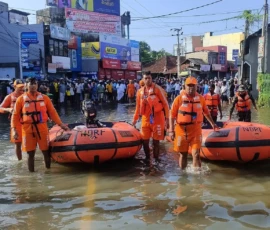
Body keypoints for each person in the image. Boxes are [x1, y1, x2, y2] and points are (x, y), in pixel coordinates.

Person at [11, 77, 69, 172]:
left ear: (37, 85)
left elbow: (52, 112)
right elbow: (15, 115)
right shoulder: (20, 100)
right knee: (30, 154)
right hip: (27, 129)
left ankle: (48, 172)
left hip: (42, 128)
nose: (33, 86)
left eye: (35, 84)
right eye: (31, 84)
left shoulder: (45, 98)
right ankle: (32, 176)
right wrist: (14, 130)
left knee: (46, 152)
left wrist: (61, 124)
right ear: (26, 85)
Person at [169, 76, 219, 170]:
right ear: (185, 86)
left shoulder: (200, 99)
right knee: (183, 155)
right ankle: (183, 176)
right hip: (181, 130)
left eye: (193, 86)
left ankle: (197, 178)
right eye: (189, 85)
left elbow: (206, 113)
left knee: (196, 154)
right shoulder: (178, 99)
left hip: (196, 130)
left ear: (197, 87)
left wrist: (213, 124)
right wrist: (171, 130)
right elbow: (172, 115)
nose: (191, 88)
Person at [132, 71, 170, 161]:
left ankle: (156, 161)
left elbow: (165, 104)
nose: (148, 80)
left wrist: (167, 119)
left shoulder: (157, 89)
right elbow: (138, 107)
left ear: (151, 79)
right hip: (145, 119)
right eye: (146, 78)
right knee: (145, 141)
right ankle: (147, 159)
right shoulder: (139, 92)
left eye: (149, 78)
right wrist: (134, 120)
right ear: (143, 79)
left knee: (156, 142)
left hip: (157, 118)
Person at [0, 79, 25, 161]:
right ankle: (20, 161)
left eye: (22, 87)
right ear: (14, 87)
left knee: (30, 142)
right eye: (19, 87)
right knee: (18, 143)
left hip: (27, 122)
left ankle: (30, 157)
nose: (21, 89)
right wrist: (8, 109)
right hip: (16, 122)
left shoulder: (27, 95)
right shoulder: (9, 96)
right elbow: (0, 108)